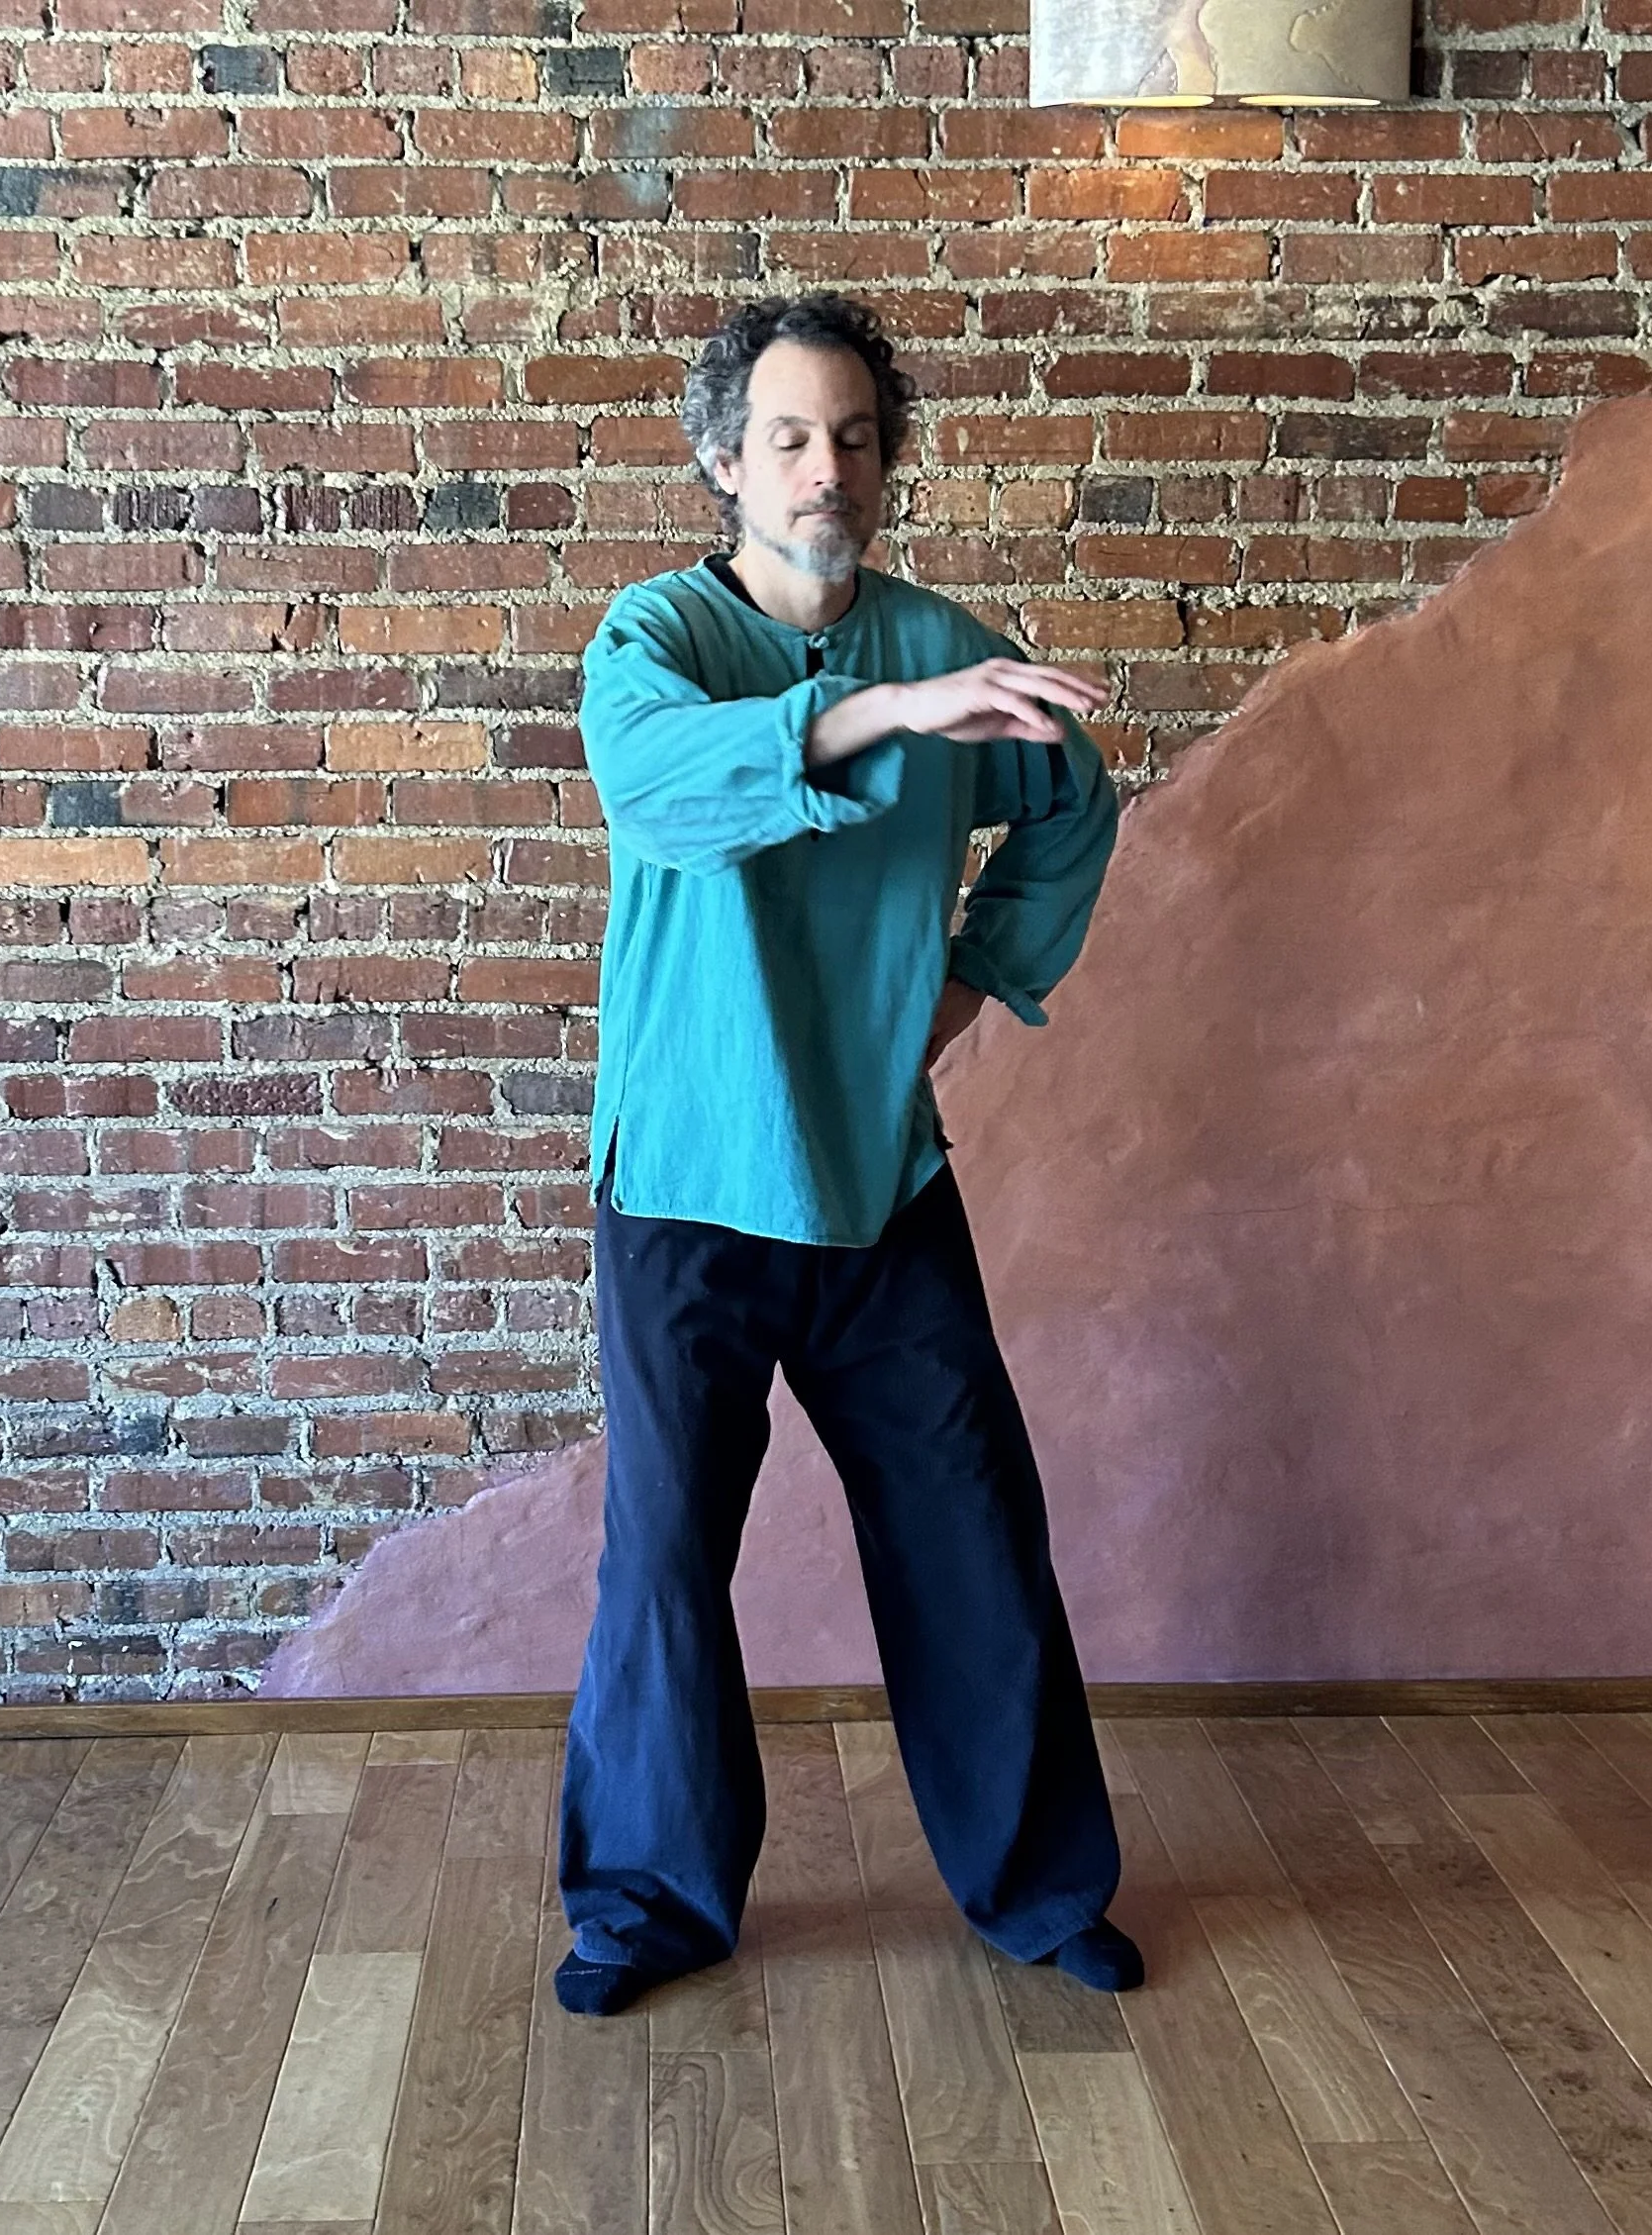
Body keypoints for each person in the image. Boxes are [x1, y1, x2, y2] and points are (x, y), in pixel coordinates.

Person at [553, 289, 1142, 2017]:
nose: (830, 468)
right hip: (684, 1192)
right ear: (726, 460)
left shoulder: (948, 638)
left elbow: (1075, 801)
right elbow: (658, 792)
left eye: (859, 436)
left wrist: (975, 984)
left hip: (882, 1188)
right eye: (793, 437)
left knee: (972, 1536)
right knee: (664, 1561)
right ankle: (648, 1904)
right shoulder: (652, 636)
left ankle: (1039, 1891)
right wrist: (887, 717)